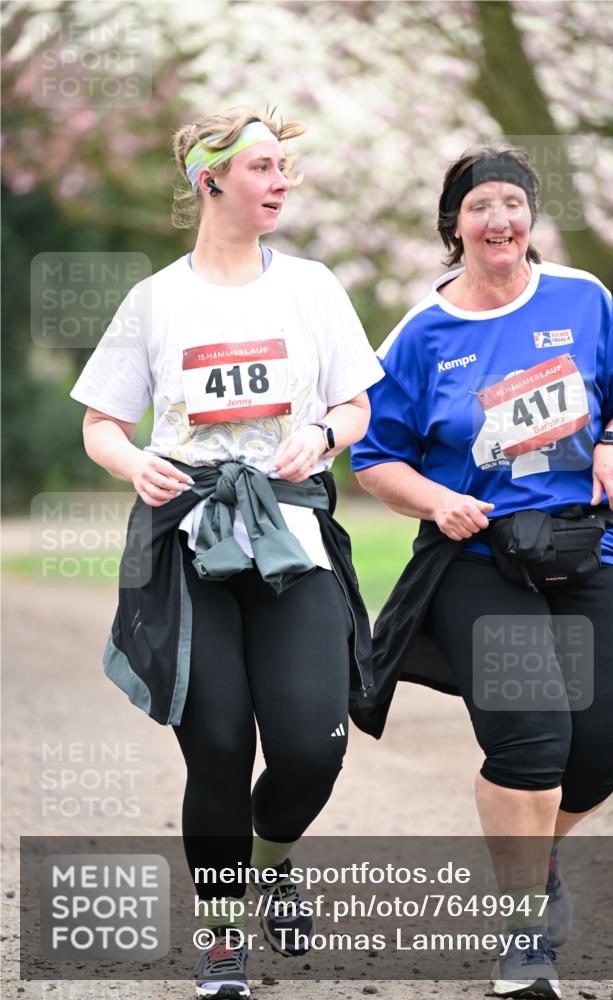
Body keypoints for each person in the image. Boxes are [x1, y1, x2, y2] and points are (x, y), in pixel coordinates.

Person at [70, 107, 383, 1000]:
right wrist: (136, 464)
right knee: (214, 748)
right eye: (262, 167)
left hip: (291, 536)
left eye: (285, 166)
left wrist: (322, 434)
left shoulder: (314, 287)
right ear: (211, 180)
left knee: (309, 749)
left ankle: (271, 857)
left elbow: (357, 404)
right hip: (190, 541)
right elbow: (101, 423)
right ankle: (220, 939)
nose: (281, 181)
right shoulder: (156, 299)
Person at [350, 145, 613, 1000]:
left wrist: (612, 442)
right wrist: (435, 502)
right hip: (478, 554)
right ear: (454, 224)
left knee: (598, 751)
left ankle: (539, 857)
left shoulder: (583, 298)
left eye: (512, 205)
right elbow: (375, 460)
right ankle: (521, 933)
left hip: (587, 542)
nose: (499, 221)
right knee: (531, 743)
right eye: (480, 206)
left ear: (530, 217)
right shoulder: (420, 333)